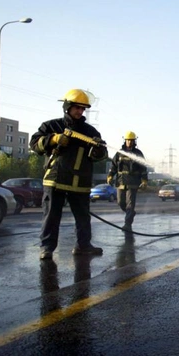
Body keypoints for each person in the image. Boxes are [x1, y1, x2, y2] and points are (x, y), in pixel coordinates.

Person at [30, 89, 108, 260]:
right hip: (55, 180)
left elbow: (101, 156)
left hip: (80, 181)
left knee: (83, 217)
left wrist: (98, 149)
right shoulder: (51, 126)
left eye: (83, 109)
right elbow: (34, 144)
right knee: (51, 215)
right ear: (68, 107)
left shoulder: (90, 132)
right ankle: (47, 248)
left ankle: (83, 246)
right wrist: (53, 139)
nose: (80, 112)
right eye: (77, 108)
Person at [107, 131, 148, 232]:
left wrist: (144, 180)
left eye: (131, 140)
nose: (129, 142)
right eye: (128, 140)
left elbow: (143, 168)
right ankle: (130, 213)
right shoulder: (119, 153)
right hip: (121, 182)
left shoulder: (138, 154)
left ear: (134, 141)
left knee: (130, 205)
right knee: (121, 203)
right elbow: (113, 166)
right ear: (125, 140)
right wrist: (110, 176)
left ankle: (127, 224)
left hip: (133, 183)